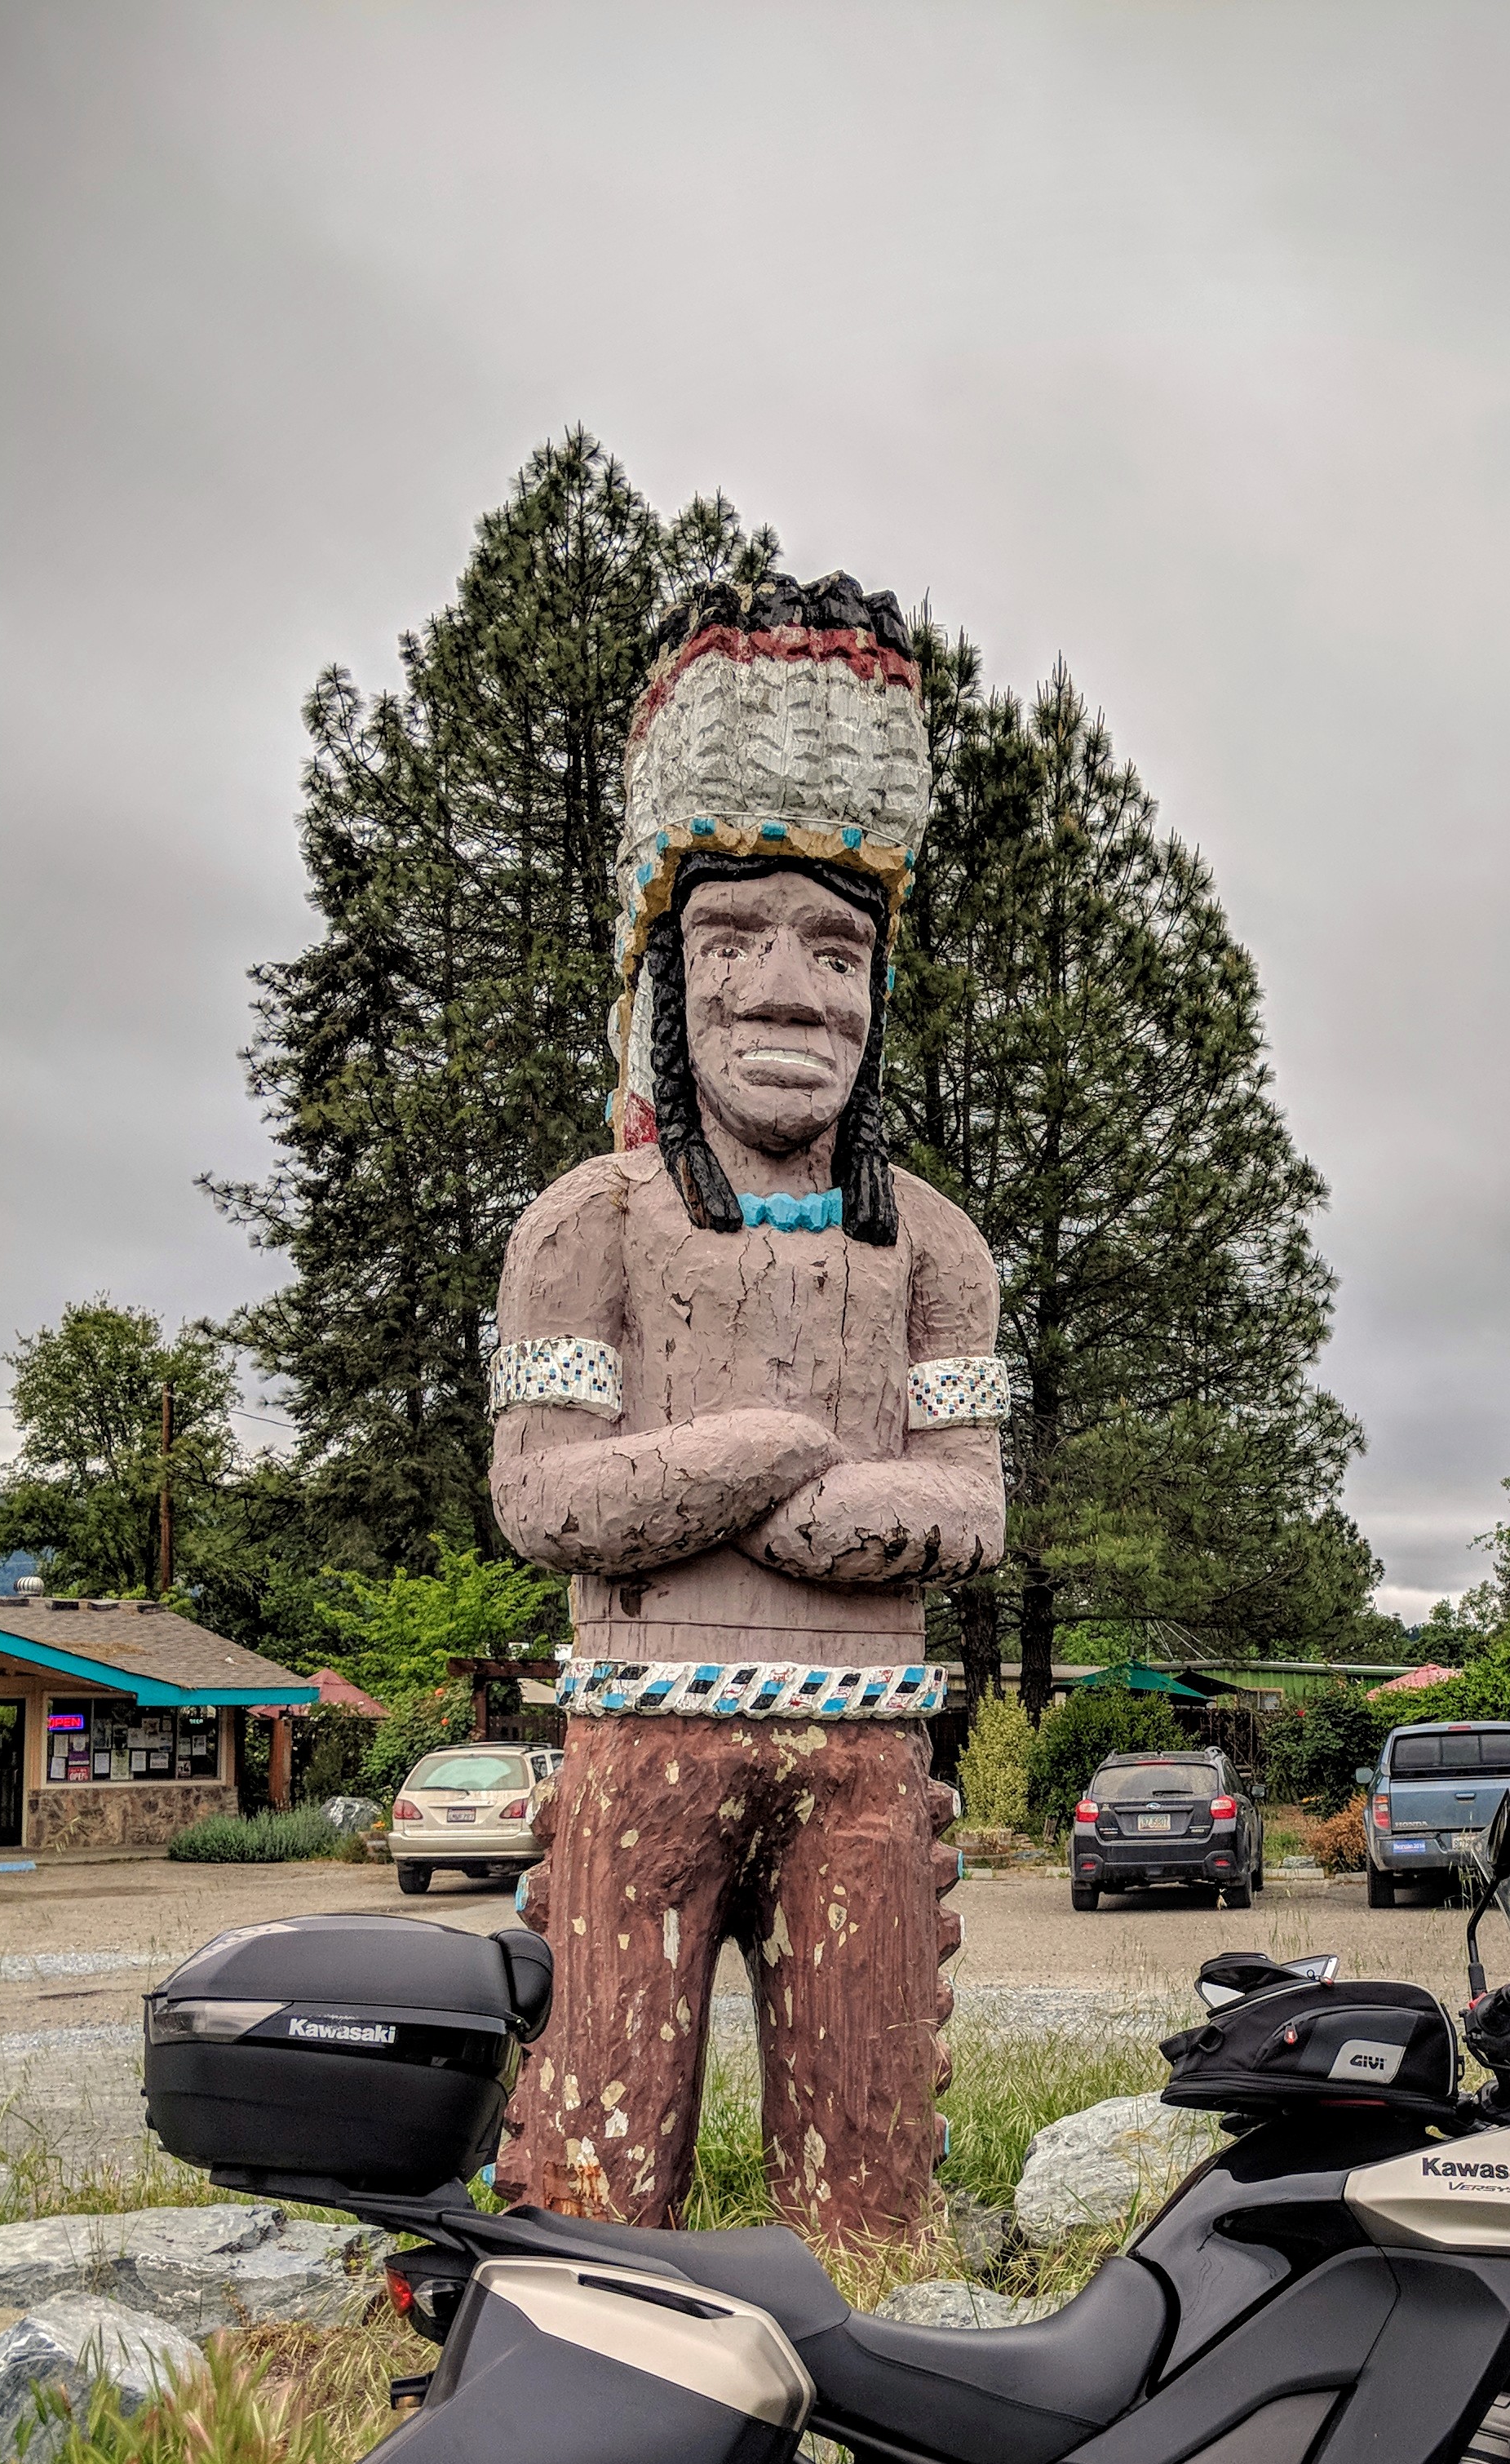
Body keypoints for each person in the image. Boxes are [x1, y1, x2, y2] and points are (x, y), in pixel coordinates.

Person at [485, 570, 1006, 2241]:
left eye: (838, 949)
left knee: (870, 2169)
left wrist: (759, 1495)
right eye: (735, 938)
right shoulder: (585, 1226)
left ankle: (876, 2413)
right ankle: (574, 2394)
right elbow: (544, 1496)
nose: (791, 988)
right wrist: (774, 1451)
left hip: (865, 1747)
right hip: (640, 1734)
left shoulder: (937, 1245)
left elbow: (972, 1501)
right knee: (593, 2143)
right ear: (666, 977)